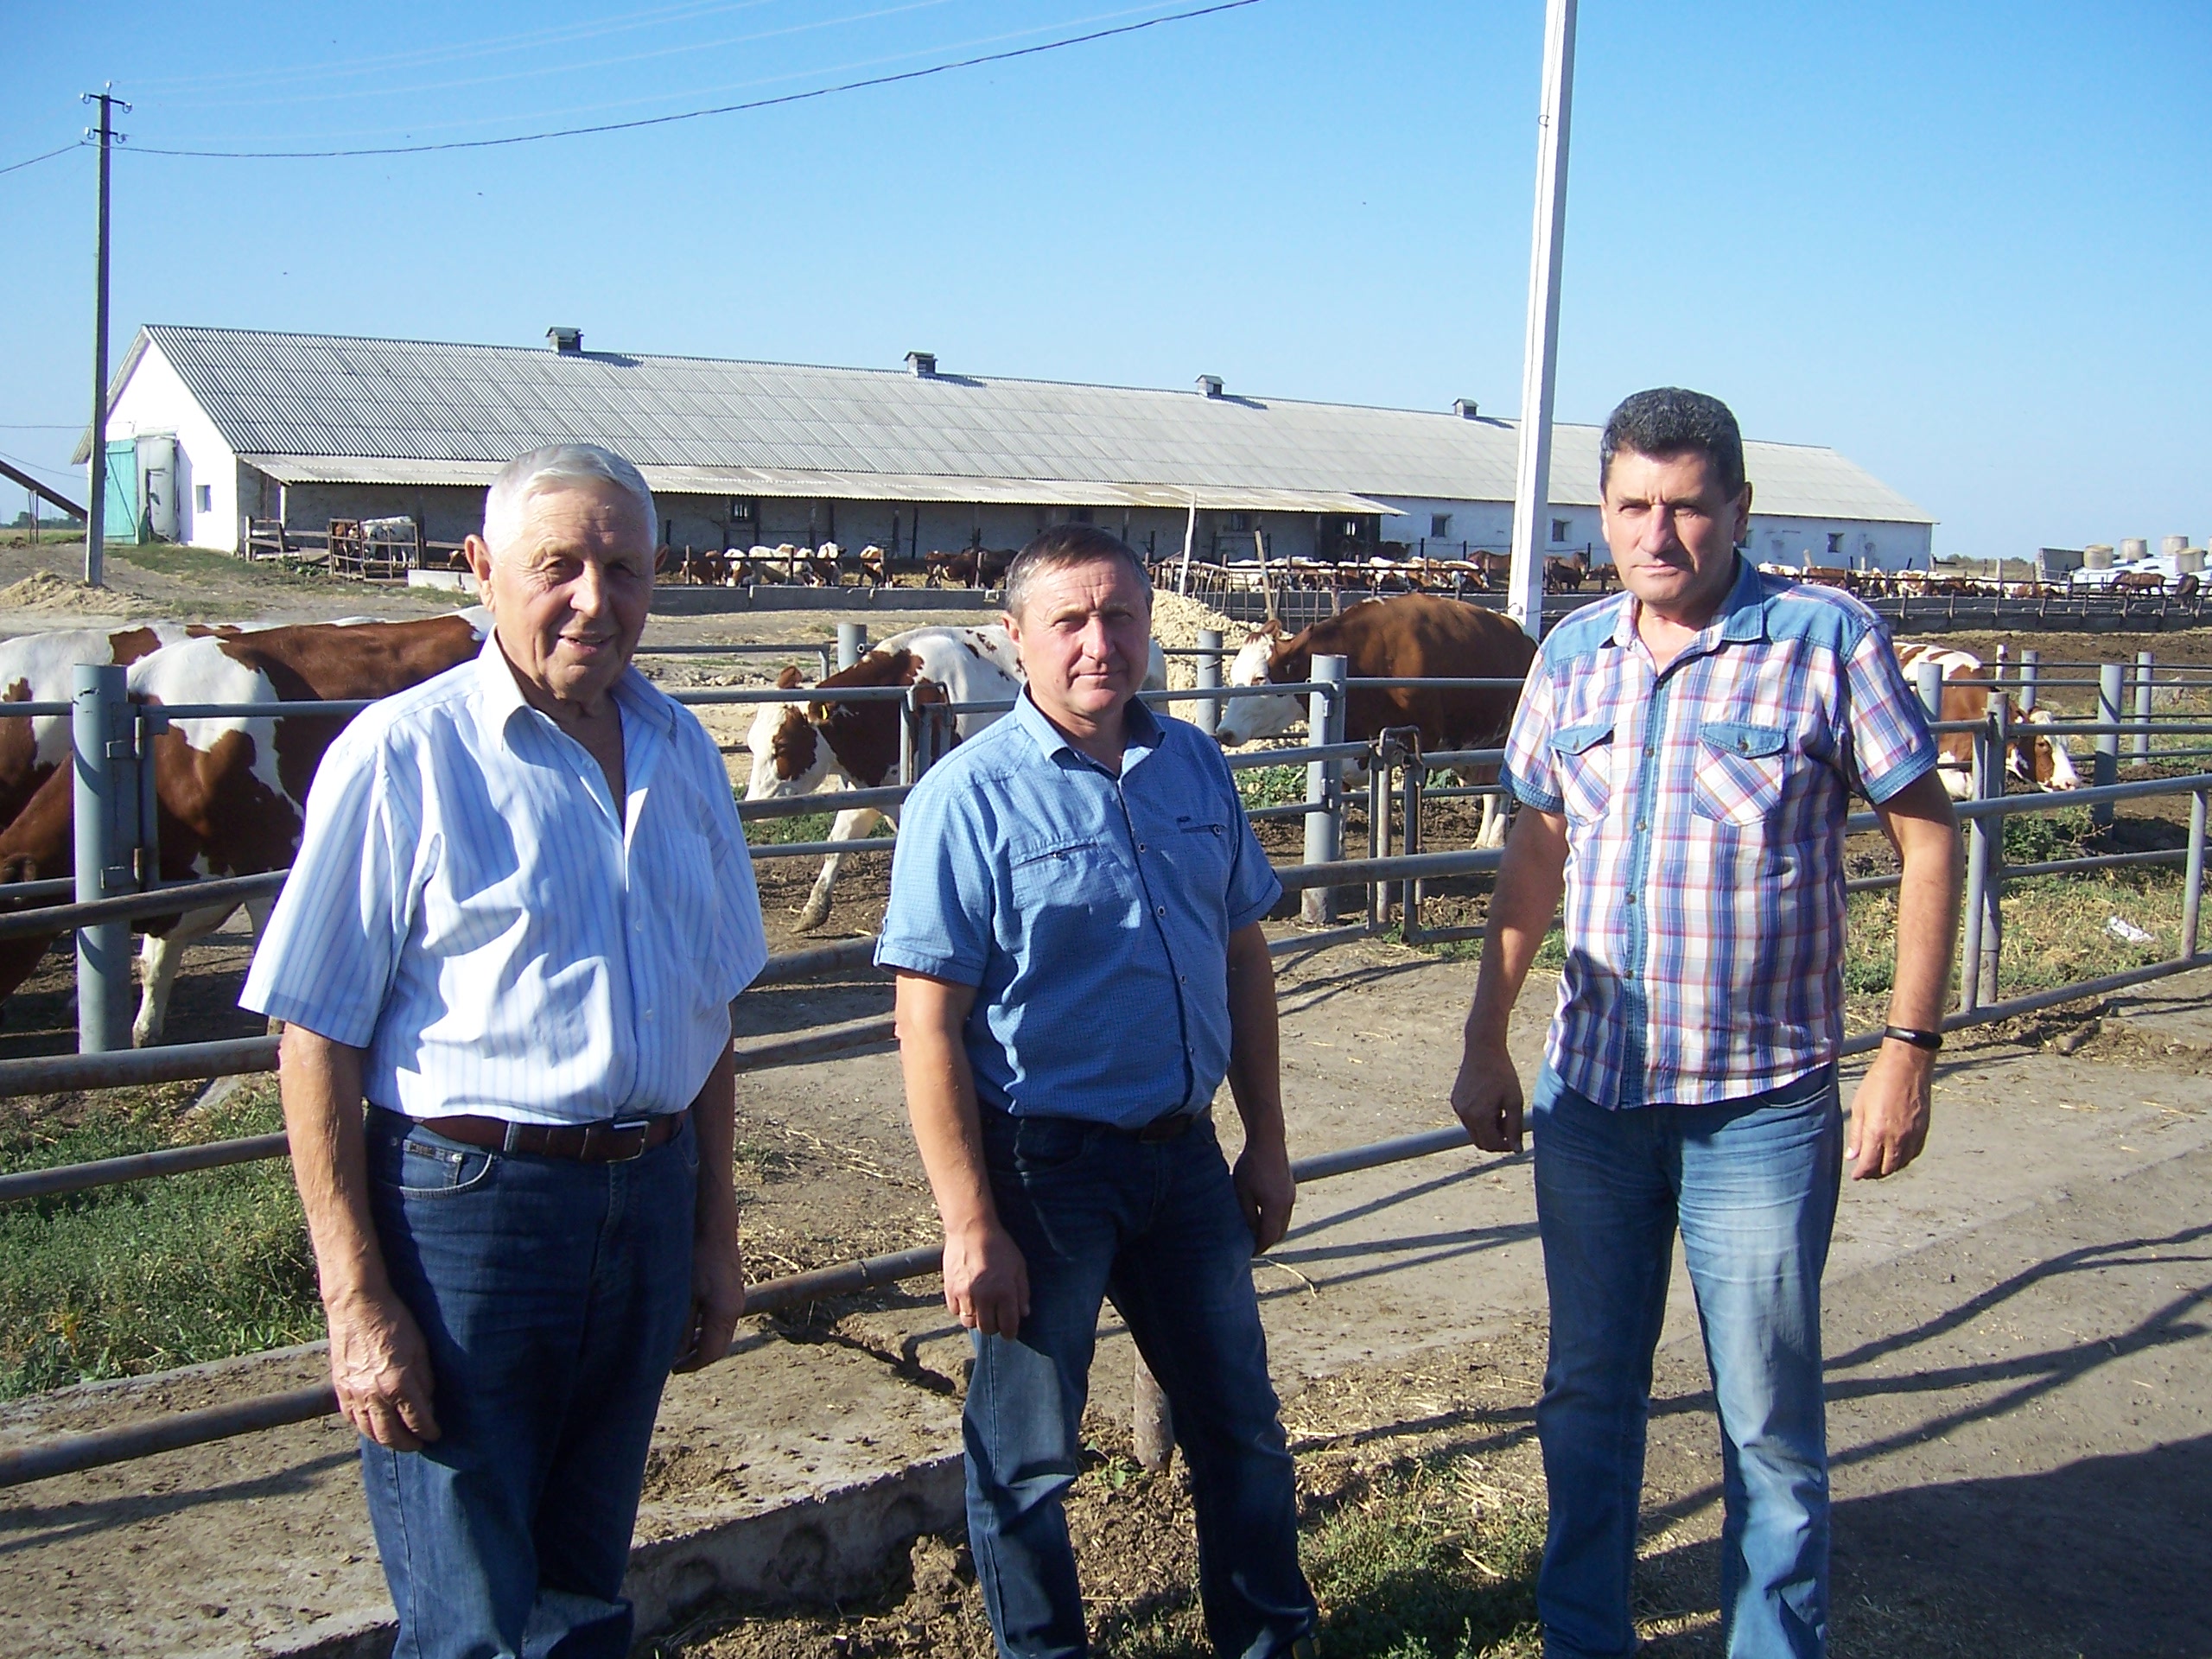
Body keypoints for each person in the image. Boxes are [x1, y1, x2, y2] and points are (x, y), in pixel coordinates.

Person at [1448, 389, 1963, 1659]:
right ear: (1603, 513)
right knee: (1586, 1396)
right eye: (1633, 506)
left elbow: (1929, 833)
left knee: (1768, 1418)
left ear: (1738, 508)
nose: (1659, 533)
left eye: (1687, 506)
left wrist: (1907, 1050)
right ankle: (1586, 1638)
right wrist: (1483, 1032)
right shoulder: (1571, 656)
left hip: (1761, 1107)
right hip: (1594, 1105)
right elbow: (1537, 846)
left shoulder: (1825, 637)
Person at [241, 443, 767, 1658]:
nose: (596, 598)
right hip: (472, 1218)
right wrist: (357, 1298)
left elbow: (711, 1009)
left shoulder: (684, 750)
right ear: (481, 572)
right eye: (559, 566)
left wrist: (712, 1227)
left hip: (647, 1193)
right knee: (471, 1608)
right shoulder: (404, 754)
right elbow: (314, 1030)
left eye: (624, 568)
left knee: (588, 1582)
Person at [876, 524, 1319, 1659]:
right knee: (1026, 1461)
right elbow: (926, 1019)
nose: (1099, 643)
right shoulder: (968, 799)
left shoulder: (1195, 767)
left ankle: (1269, 1644)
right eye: (1068, 621)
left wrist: (1264, 1140)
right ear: (1015, 639)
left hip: (1182, 1161)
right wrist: (969, 1221)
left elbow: (1242, 954)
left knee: (1243, 1435)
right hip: (1044, 1172)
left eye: (1121, 616)